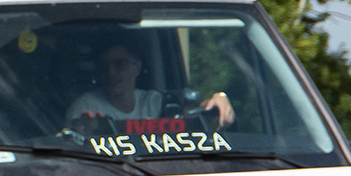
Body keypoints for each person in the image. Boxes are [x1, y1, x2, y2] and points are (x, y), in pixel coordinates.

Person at [66, 42, 234, 127]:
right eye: (104, 66)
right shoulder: (85, 108)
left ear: (137, 67)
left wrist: (217, 102)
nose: (111, 73)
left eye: (119, 64)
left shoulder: (154, 102)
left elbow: (189, 111)